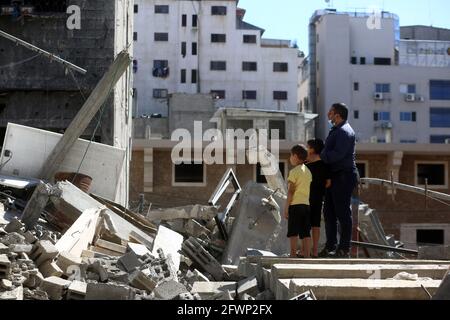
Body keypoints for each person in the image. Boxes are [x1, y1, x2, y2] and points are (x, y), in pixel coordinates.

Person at [319, 103, 358, 258]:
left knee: (342, 213)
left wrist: (322, 155)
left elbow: (337, 154)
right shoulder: (336, 130)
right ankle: (330, 246)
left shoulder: (344, 132)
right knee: (329, 213)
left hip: (343, 175)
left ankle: (344, 249)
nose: (328, 114)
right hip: (334, 176)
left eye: (331, 111)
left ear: (337, 114)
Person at [284, 144, 313, 258]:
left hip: (295, 205)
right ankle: (307, 255)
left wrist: (286, 207)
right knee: (306, 232)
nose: (290, 158)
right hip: (306, 205)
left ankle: (292, 254)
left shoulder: (294, 172)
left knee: (293, 231)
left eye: (291, 155)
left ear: (295, 156)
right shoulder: (308, 172)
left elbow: (291, 191)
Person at [306, 139, 331, 258]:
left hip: (306, 198)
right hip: (318, 198)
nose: (306, 149)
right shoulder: (326, 165)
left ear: (312, 149)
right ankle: (315, 251)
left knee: (306, 225)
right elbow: (328, 183)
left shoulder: (305, 167)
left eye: (308, 147)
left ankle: (305, 251)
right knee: (316, 225)